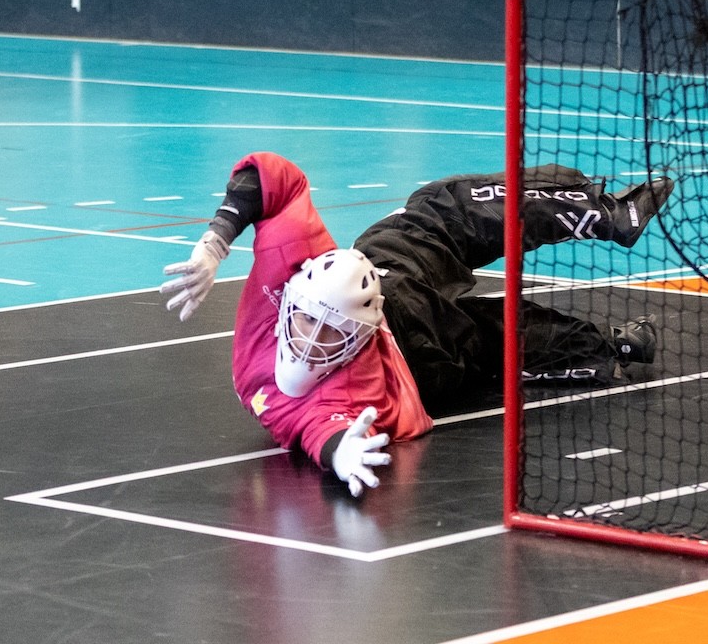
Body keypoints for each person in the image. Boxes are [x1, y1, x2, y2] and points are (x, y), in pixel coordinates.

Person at [156, 152, 668, 495]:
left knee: (463, 263)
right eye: (316, 327)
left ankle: (611, 310)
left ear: (292, 296)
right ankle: (606, 316)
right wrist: (342, 454)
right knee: (485, 320)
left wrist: (215, 241)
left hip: (380, 287)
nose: (311, 340)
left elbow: (274, 178)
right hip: (413, 352)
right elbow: (320, 430)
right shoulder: (340, 390)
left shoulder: (281, 279)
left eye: (317, 323)